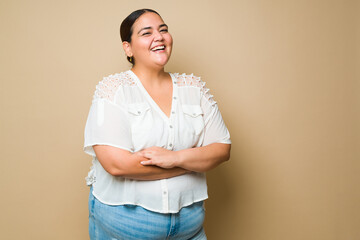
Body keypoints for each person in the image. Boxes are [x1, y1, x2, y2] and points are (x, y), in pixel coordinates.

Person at [83, 8, 231, 240]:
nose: (159, 37)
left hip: (190, 228)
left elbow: (221, 149)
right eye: (146, 32)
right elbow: (117, 165)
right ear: (128, 48)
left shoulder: (194, 88)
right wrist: (195, 162)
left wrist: (175, 158)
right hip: (127, 227)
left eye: (163, 30)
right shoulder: (112, 90)